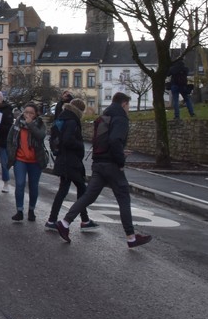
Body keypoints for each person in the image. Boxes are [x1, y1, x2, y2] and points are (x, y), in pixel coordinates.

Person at [55, 92, 152, 247]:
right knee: (123, 197)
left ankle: (65, 223)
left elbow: (104, 140)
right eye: (128, 106)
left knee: (88, 196)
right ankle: (131, 237)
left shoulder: (104, 116)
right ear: (124, 104)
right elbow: (115, 140)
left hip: (98, 163)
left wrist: (118, 152)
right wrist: (120, 160)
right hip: (112, 164)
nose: (128, 109)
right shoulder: (120, 118)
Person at [44, 98, 99, 232]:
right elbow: (68, 140)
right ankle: (77, 220)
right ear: (80, 110)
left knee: (70, 190)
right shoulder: (72, 120)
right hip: (71, 161)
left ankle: (80, 220)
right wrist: (80, 144)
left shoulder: (62, 118)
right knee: (80, 191)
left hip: (64, 160)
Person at [6, 102, 46, 222]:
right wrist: (10, 153)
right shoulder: (17, 124)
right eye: (26, 112)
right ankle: (19, 210)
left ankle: (31, 210)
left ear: (35, 114)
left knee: (33, 186)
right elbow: (9, 139)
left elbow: (41, 136)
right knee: (19, 184)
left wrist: (30, 125)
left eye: (31, 113)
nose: (28, 115)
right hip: (20, 159)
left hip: (35, 160)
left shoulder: (39, 124)